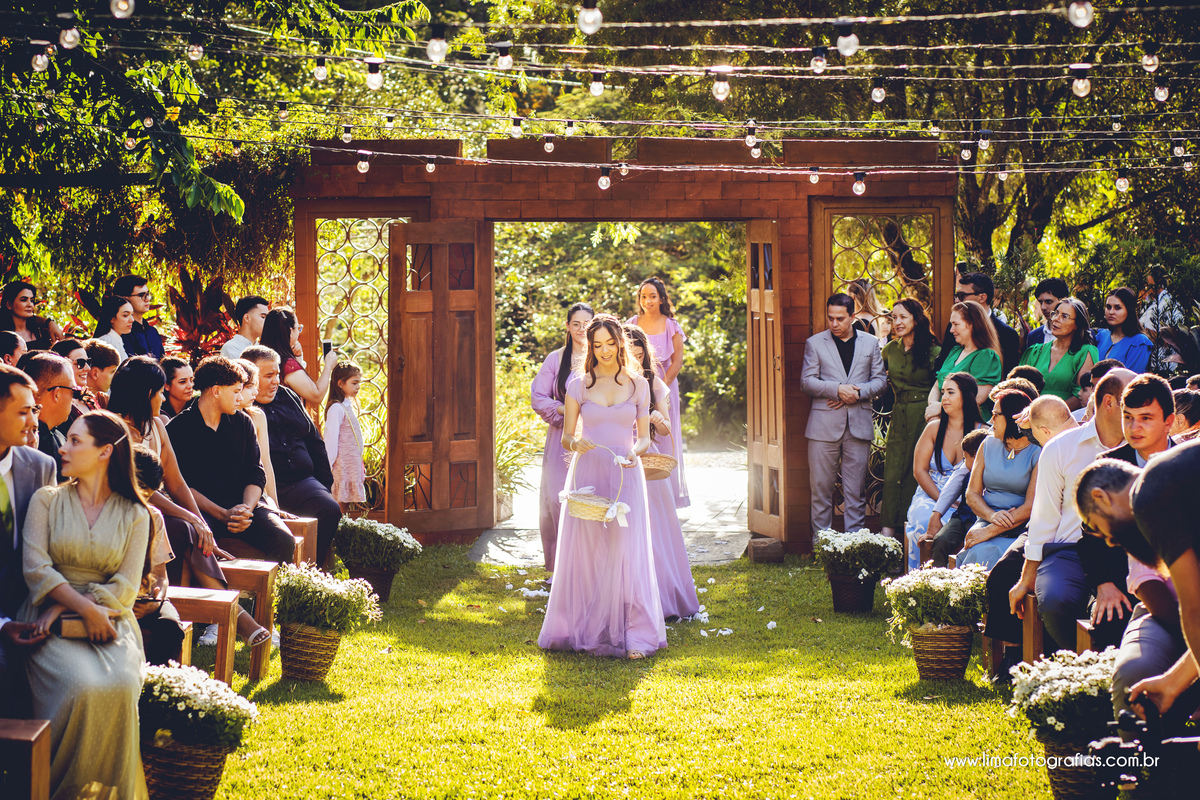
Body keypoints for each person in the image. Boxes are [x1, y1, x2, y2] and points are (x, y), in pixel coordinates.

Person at [19, 410, 150, 800]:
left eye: (75, 441)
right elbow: (36, 567)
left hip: (110, 619)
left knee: (123, 685)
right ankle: (56, 788)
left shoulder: (136, 513)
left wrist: (78, 607)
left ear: (105, 451)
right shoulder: (47, 500)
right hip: (46, 621)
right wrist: (74, 606)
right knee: (81, 686)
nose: (63, 447)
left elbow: (126, 586)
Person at [538, 314, 666, 659]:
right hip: (588, 474)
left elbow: (642, 438)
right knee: (588, 551)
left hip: (625, 471)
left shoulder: (638, 384)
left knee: (627, 548)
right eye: (597, 345)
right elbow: (567, 437)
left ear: (620, 343)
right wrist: (574, 444)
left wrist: (633, 455)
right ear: (589, 348)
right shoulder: (578, 385)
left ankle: (636, 633)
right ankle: (582, 626)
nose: (605, 350)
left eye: (611, 343)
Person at [986, 387, 1132, 657]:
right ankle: (1024, 654)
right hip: (1063, 543)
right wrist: (1027, 573)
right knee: (1018, 579)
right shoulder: (1060, 447)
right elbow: (1044, 517)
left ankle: (1086, 660)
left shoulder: (1136, 447)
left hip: (1117, 549)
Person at [1074, 446, 1200, 729]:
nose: (1108, 540)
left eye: (1098, 525)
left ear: (1101, 498)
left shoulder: (1148, 497)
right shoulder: (1174, 475)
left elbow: (1194, 609)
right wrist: (1173, 681)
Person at [167, 355, 295, 563]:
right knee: (196, 539)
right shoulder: (178, 429)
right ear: (216, 391)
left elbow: (256, 472)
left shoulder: (243, 422)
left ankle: (272, 595)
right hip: (204, 511)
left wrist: (246, 509)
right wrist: (222, 514)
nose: (239, 398)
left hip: (245, 508)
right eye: (236, 391)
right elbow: (181, 485)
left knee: (283, 539)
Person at [626, 323, 699, 620]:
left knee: (655, 530)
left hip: (648, 462)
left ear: (644, 353)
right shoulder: (611, 382)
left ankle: (662, 596)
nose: (632, 355)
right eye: (627, 350)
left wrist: (656, 419)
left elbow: (668, 428)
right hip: (616, 458)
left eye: (637, 351)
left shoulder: (654, 382)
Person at [243, 345, 340, 565]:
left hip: (303, 481)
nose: (276, 381)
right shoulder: (244, 407)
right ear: (249, 377)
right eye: (269, 376)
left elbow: (314, 440)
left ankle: (310, 570)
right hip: (267, 486)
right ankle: (292, 573)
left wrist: (325, 483)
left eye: (277, 374)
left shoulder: (288, 396)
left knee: (329, 509)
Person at [800, 293, 887, 535]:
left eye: (840, 318)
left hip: (858, 424)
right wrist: (838, 390)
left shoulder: (870, 343)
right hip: (822, 426)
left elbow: (880, 381)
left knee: (855, 491)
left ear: (853, 317)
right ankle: (823, 546)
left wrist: (856, 393)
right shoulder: (815, 343)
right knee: (820, 490)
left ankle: (853, 546)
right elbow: (806, 382)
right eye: (830, 319)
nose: (834, 324)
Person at [0, 365, 57, 716]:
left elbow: (49, 548)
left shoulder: (40, 466)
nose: (31, 421)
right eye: (22, 411)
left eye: (33, 410)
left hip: (33, 608)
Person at [531, 302, 595, 573]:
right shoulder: (556, 358)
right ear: (568, 327)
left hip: (595, 435)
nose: (582, 329)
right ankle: (559, 567)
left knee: (594, 496)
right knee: (558, 498)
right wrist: (565, 409)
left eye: (587, 324)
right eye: (576, 324)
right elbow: (538, 397)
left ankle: (591, 564)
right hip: (562, 435)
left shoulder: (603, 355)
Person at [903, 372, 984, 570]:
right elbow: (919, 471)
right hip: (930, 493)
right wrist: (943, 500)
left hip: (967, 498)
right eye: (942, 393)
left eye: (950, 392)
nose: (943, 398)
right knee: (924, 518)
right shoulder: (933, 428)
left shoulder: (984, 432)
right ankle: (919, 580)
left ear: (966, 396)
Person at [957, 390, 1041, 570]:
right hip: (986, 518)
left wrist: (990, 531)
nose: (991, 420)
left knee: (983, 552)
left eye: (995, 415)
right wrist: (991, 516)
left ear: (1013, 417)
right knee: (975, 547)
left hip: (1021, 526)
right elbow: (972, 494)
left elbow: (1031, 506)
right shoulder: (987, 444)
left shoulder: (1039, 451)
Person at [879, 299, 941, 539]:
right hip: (899, 413)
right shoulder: (890, 349)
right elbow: (875, 377)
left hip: (924, 416)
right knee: (893, 469)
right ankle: (887, 534)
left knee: (915, 469)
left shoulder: (933, 350)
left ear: (916, 319)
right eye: (894, 318)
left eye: (903, 317)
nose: (897, 322)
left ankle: (910, 530)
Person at [627, 277, 690, 509]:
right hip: (634, 384)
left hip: (663, 385)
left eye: (653, 296)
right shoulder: (632, 322)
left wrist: (657, 387)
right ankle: (637, 487)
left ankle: (665, 493)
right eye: (643, 296)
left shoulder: (671, 324)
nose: (648, 301)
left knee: (662, 431)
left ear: (662, 298)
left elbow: (677, 361)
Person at [131, 446, 187, 666]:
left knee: (170, 627)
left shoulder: (153, 516)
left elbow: (161, 575)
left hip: (146, 597)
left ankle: (157, 688)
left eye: (147, 495)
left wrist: (156, 600)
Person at [923, 429, 988, 568]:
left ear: (976, 456)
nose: (964, 462)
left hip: (980, 518)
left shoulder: (991, 473)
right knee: (941, 540)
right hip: (962, 516)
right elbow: (955, 481)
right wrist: (936, 515)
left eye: (965, 459)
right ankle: (938, 580)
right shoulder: (967, 472)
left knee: (972, 544)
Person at [927, 300, 1003, 419]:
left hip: (969, 423)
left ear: (972, 324)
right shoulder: (955, 351)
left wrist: (941, 408)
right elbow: (937, 386)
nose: (951, 330)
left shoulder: (986, 356)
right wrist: (933, 410)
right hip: (944, 420)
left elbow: (977, 398)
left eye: (956, 324)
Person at [1018, 297, 1097, 410]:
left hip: (1066, 417)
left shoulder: (1085, 352)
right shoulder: (1035, 351)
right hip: (1029, 415)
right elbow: (1019, 386)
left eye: (1064, 316)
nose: (1055, 319)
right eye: (1055, 313)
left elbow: (1081, 396)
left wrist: (1049, 412)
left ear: (1077, 325)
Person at [935, 272, 1020, 376]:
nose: (957, 300)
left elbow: (1009, 376)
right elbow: (942, 363)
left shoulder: (1007, 334)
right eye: (956, 295)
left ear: (982, 297)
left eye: (962, 296)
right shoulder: (953, 327)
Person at [260, 306, 338, 408]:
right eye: (298, 328)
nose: (299, 332)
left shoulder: (261, 357)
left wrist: (297, 357)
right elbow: (316, 395)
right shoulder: (287, 364)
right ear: (290, 331)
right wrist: (328, 365)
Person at [25, 352, 78, 481]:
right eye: (73, 391)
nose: (74, 400)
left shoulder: (58, 436)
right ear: (57, 394)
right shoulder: (24, 442)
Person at [234, 356, 279, 505]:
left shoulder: (257, 416)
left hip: (256, 491)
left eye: (256, 385)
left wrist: (275, 503)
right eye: (249, 386)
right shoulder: (222, 418)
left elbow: (265, 462)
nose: (255, 391)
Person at [324, 362, 366, 512]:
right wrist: (327, 466)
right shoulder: (336, 408)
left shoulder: (347, 406)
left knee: (345, 505)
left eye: (359, 383)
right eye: (354, 383)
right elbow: (330, 439)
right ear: (340, 384)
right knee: (339, 504)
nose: (358, 387)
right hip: (341, 466)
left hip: (350, 465)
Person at [1094, 287, 1153, 374]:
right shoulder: (1101, 336)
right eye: (1108, 307)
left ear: (1129, 310)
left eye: (1117, 308)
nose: (1111, 312)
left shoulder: (1139, 342)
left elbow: (1130, 378)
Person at [113, 275, 164, 359]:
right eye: (142, 295)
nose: (147, 299)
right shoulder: (120, 334)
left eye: (148, 294)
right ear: (125, 299)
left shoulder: (153, 332)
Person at [0, 280, 62, 349]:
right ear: (9, 304)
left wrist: (50, 322)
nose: (30, 305)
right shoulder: (3, 337)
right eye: (23, 300)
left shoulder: (41, 333)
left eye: (32, 300)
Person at [50, 338, 92, 418]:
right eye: (80, 363)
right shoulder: (57, 405)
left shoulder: (89, 398)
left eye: (88, 362)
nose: (88, 368)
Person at [221, 295, 270, 361]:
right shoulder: (231, 348)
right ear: (247, 318)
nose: (267, 322)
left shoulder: (263, 349)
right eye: (263, 317)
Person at [1026, 277, 1070, 348]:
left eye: (1049, 302)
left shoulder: (1080, 334)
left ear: (1063, 301)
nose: (1043, 307)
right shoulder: (1033, 336)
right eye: (1041, 302)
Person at [91, 294, 134, 363]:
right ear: (112, 318)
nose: (132, 319)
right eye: (125, 315)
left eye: (132, 314)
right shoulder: (107, 342)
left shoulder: (116, 340)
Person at [84, 337, 121, 409]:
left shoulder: (104, 400)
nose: (115, 376)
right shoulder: (77, 403)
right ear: (95, 374)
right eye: (112, 372)